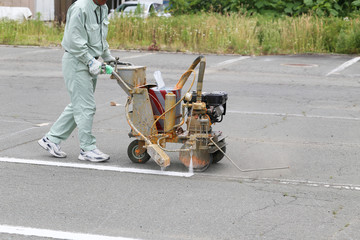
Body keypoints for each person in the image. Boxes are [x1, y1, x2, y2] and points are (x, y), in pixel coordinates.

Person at [38, 0, 117, 162]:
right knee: (86, 106)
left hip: (91, 61)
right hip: (77, 61)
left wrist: (108, 58)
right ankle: (87, 149)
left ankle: (51, 139)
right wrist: (90, 61)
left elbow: (101, 37)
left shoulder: (103, 7)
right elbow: (74, 40)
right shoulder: (80, 8)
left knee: (78, 105)